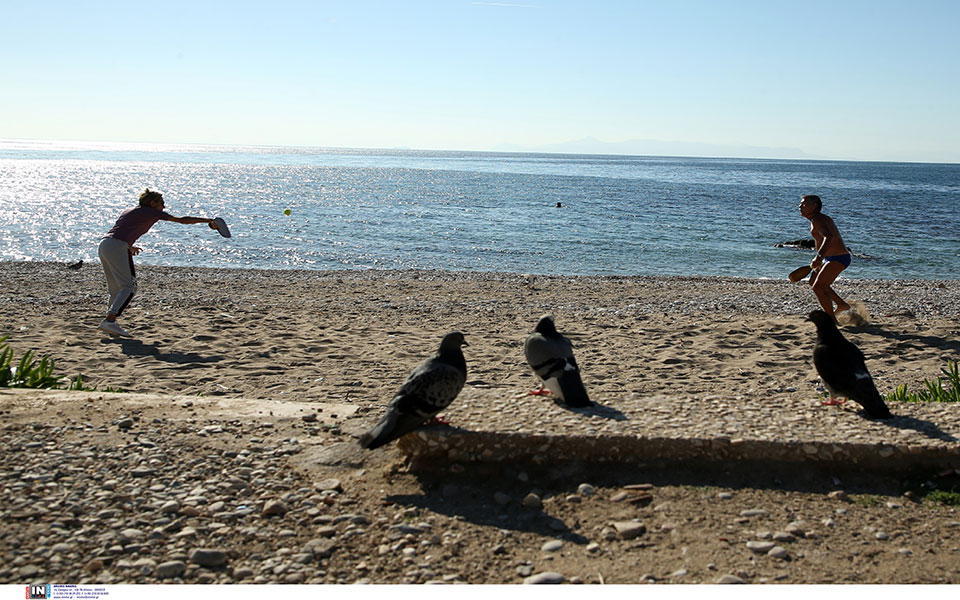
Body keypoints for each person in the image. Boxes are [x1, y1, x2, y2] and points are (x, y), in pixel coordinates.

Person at [98, 188, 217, 337]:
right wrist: (209, 221)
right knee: (129, 287)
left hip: (105, 244)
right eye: (162, 203)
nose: (164, 207)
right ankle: (110, 321)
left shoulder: (130, 210)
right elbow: (182, 220)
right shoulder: (151, 211)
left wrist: (129, 245)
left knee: (116, 289)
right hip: (117, 246)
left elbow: (123, 229)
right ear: (152, 203)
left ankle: (111, 325)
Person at [798, 194, 851, 319]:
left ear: (814, 206)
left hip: (838, 258)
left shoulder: (818, 219)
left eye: (804, 204)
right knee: (813, 281)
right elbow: (822, 240)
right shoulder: (817, 219)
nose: (800, 206)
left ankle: (831, 319)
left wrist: (819, 257)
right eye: (800, 204)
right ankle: (841, 304)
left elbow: (829, 237)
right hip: (829, 258)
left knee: (819, 286)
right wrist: (821, 260)